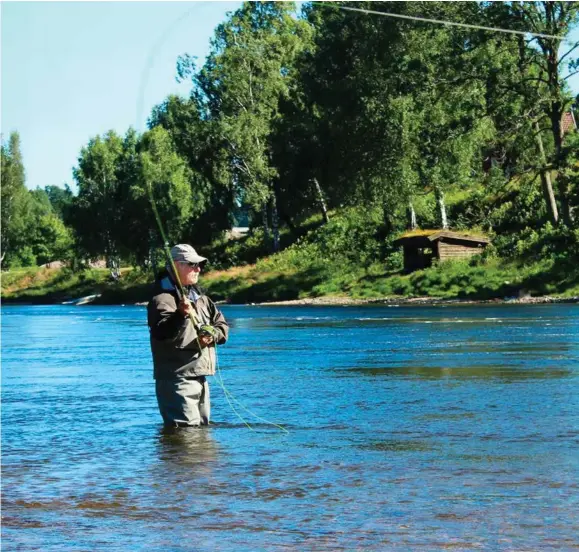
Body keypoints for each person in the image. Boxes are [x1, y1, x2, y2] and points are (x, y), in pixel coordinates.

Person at [147, 244, 229, 427]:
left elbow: (222, 325)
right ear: (176, 266)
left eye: (199, 265)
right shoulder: (162, 298)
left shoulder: (201, 299)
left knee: (202, 438)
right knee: (185, 437)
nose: (198, 269)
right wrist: (180, 314)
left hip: (200, 376)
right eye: (192, 264)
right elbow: (161, 332)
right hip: (177, 380)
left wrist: (212, 335)